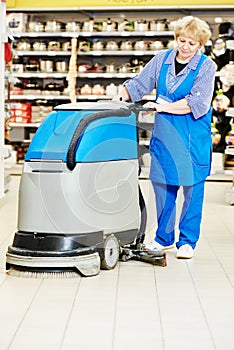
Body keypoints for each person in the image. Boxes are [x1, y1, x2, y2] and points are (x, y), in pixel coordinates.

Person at [113, 16, 216, 259]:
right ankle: (163, 238)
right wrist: (120, 96)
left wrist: (161, 106)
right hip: (165, 137)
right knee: (163, 187)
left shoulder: (206, 67)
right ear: (176, 38)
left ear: (200, 45)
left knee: (192, 190)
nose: (186, 47)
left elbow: (197, 103)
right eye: (182, 40)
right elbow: (139, 83)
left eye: (192, 43)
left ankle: (188, 241)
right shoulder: (161, 60)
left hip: (191, 138)